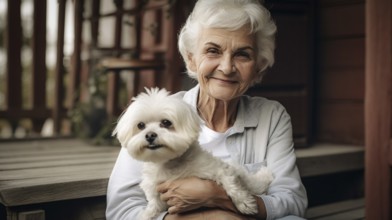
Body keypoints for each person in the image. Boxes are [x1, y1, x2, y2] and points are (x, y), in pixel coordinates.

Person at [106, 0, 308, 219]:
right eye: (213, 51)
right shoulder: (155, 113)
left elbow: (292, 202)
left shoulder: (272, 116)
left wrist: (216, 195)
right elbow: (121, 209)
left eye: (242, 54)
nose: (227, 67)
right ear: (192, 59)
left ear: (258, 65)